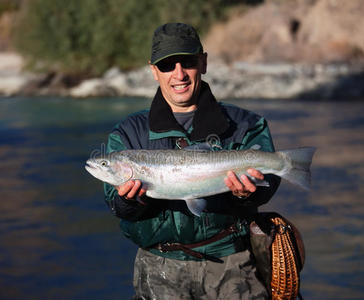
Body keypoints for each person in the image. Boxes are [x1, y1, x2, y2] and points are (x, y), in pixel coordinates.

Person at [104, 23, 281, 299]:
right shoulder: (129, 132)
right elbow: (117, 206)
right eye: (166, 66)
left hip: (233, 267)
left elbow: (267, 185)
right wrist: (129, 200)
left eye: (187, 62)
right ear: (153, 71)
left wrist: (249, 194)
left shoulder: (247, 124)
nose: (179, 74)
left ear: (203, 63)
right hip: (158, 269)